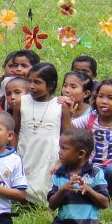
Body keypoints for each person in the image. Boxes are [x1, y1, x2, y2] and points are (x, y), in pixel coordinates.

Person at [34, 129, 109, 224]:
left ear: (81, 154)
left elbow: (104, 203)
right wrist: (63, 189)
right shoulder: (59, 174)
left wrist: (87, 189)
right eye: (60, 148)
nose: (60, 152)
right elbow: (52, 205)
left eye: (65, 148)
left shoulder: (95, 173)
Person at [14, 63, 70, 205]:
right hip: (26, 151)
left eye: (37, 82)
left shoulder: (60, 106)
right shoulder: (21, 102)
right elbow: (14, 131)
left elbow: (68, 137)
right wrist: (13, 155)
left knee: (45, 184)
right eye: (30, 81)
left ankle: (44, 205)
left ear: (50, 86)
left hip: (48, 155)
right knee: (23, 185)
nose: (31, 86)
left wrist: (61, 161)